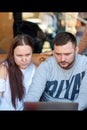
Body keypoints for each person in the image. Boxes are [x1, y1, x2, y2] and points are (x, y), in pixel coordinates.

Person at [25, 32, 87, 110]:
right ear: (53, 52)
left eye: (67, 54)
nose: (62, 59)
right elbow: (33, 95)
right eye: (58, 54)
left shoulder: (85, 64)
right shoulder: (46, 66)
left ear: (76, 50)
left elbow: (84, 98)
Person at [0, 34, 36, 110]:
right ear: (12, 55)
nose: (24, 60)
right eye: (19, 55)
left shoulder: (33, 68)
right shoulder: (3, 69)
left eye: (28, 55)